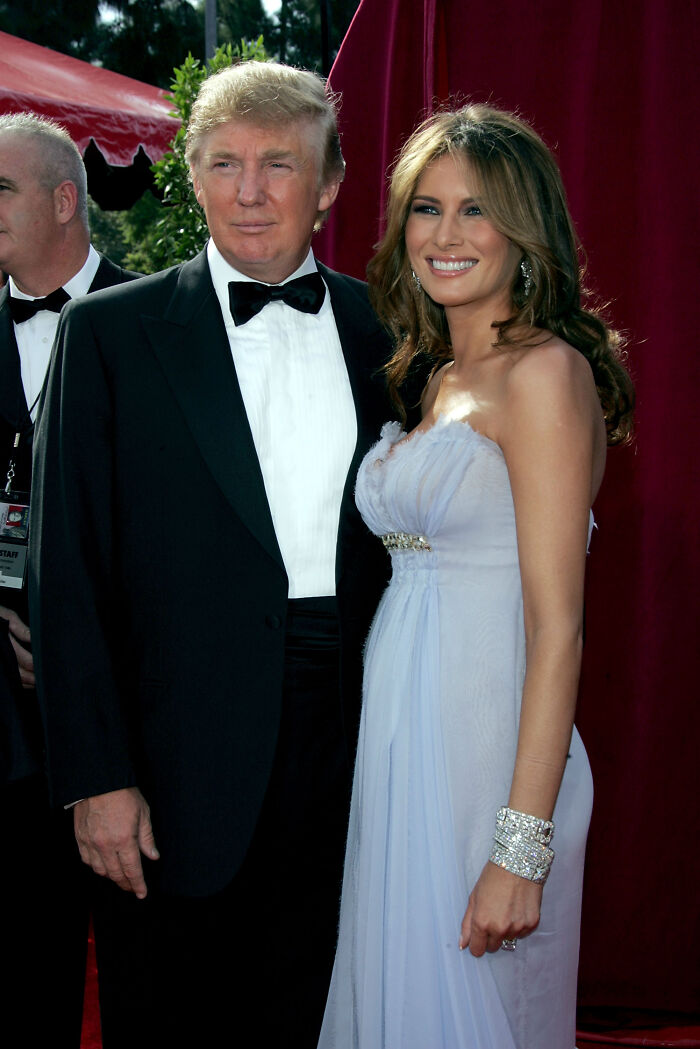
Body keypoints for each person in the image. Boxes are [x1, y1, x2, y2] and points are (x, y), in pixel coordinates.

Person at [29, 62, 392, 1048]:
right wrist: (95, 777)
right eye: (223, 162)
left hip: (358, 747)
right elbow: (65, 569)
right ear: (191, 176)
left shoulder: (388, 332)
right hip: (168, 759)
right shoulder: (107, 333)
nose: (248, 188)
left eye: (280, 163)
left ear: (328, 184)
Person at [318, 104, 635, 1049]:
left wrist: (520, 844)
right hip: (400, 743)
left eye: (476, 211)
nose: (445, 234)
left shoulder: (543, 373)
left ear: (525, 230)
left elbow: (559, 629)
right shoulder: (435, 378)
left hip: (489, 753)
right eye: (426, 208)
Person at [0, 111, 140, 1048]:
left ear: (62, 199)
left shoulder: (165, 320)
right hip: (5, 729)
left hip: (134, 726)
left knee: (147, 984)